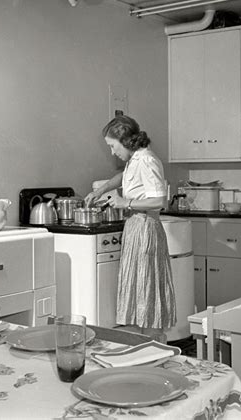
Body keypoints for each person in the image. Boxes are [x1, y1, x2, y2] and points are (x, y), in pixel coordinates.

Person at [85, 115, 176, 342]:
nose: (112, 152)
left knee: (147, 291)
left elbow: (159, 201)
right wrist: (100, 190)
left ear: (125, 141)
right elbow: (123, 177)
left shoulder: (146, 160)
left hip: (145, 227)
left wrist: (127, 203)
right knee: (140, 291)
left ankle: (155, 346)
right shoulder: (136, 159)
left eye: (113, 146)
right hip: (136, 226)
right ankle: (148, 346)